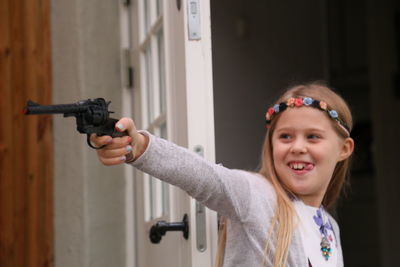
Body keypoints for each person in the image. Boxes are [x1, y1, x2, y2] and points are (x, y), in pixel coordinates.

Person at [91, 81, 354, 267]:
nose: (297, 147)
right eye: (285, 136)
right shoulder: (257, 195)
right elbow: (205, 177)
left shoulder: (330, 227)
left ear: (344, 149)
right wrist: (140, 147)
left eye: (313, 137)